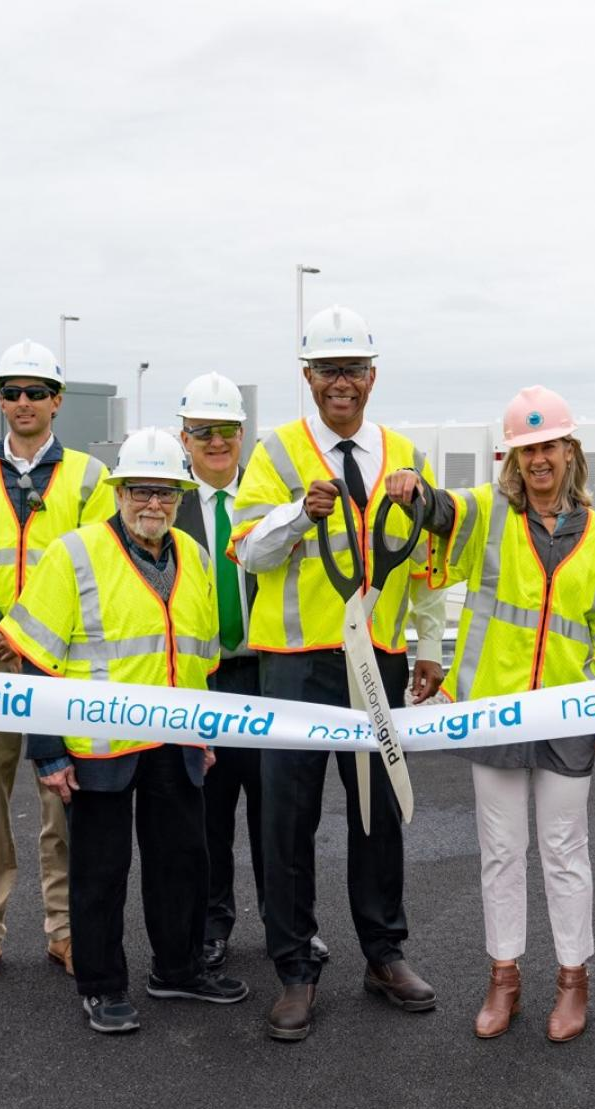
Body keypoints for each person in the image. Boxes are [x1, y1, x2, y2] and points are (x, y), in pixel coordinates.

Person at [384, 386, 595, 1042]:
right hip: (495, 715)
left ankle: (571, 984)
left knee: (564, 851)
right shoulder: (489, 514)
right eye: (527, 450)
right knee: (501, 852)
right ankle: (504, 980)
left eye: (549, 446)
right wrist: (414, 491)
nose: (538, 460)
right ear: (513, 458)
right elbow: (441, 513)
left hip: (565, 717)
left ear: (570, 451)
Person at [233, 305, 446, 1042]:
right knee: (286, 819)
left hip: (377, 665)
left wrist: (428, 647)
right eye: (328, 372)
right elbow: (249, 553)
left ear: (372, 377)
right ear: (308, 379)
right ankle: (294, 967)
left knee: (377, 813)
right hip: (295, 666)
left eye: (353, 371)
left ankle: (384, 953)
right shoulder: (278, 452)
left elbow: (426, 567)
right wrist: (298, 512)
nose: (341, 384)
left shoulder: (404, 454)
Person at [0, 428, 249, 1034]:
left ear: (180, 496)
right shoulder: (74, 553)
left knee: (183, 863)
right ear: (118, 492)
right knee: (100, 871)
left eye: (165, 492)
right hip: (96, 747)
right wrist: (48, 751)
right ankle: (102, 984)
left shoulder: (195, 555)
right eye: (141, 490)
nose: (153, 504)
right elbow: (37, 659)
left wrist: (205, 733)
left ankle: (178, 969)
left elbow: (199, 656)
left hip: (179, 741)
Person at [0, 340, 113, 990]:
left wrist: (32, 635)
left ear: (58, 400)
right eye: (12, 391)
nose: (23, 402)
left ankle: (65, 933)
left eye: (37, 391)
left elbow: (96, 567)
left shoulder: (92, 477)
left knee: (64, 800)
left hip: (57, 667)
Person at [171, 372, 331, 971]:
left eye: (227, 431)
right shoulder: (170, 504)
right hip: (203, 680)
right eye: (203, 432)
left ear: (243, 435)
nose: (216, 442)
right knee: (208, 816)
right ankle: (213, 925)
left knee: (282, 815)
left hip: (265, 674)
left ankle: (288, 924)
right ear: (182, 437)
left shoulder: (263, 498)